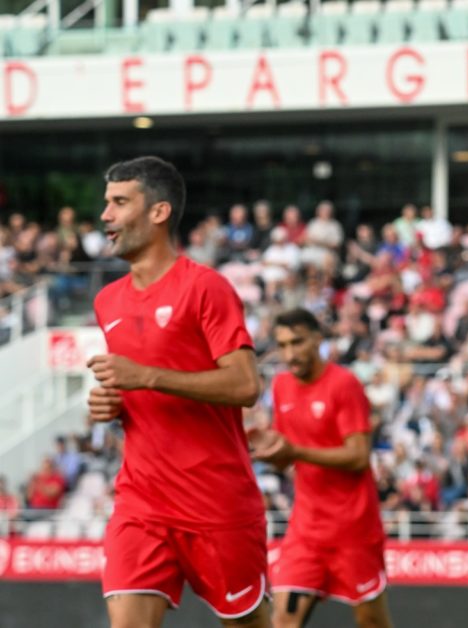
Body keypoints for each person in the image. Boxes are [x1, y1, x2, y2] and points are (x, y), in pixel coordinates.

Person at [86, 156, 269, 628]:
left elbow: (246, 385)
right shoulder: (107, 300)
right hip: (141, 502)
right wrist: (112, 403)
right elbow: (137, 387)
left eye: (119, 202)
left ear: (158, 212)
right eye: (107, 202)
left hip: (217, 502)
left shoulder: (206, 288)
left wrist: (146, 376)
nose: (105, 215)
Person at [248, 308, 393, 628]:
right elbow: (288, 454)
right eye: (282, 345)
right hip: (306, 528)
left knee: (371, 622)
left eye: (297, 342)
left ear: (317, 339)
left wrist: (294, 451)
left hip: (353, 527)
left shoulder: (344, 384)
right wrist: (265, 449)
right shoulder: (281, 385)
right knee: (283, 620)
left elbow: (358, 456)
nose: (289, 353)